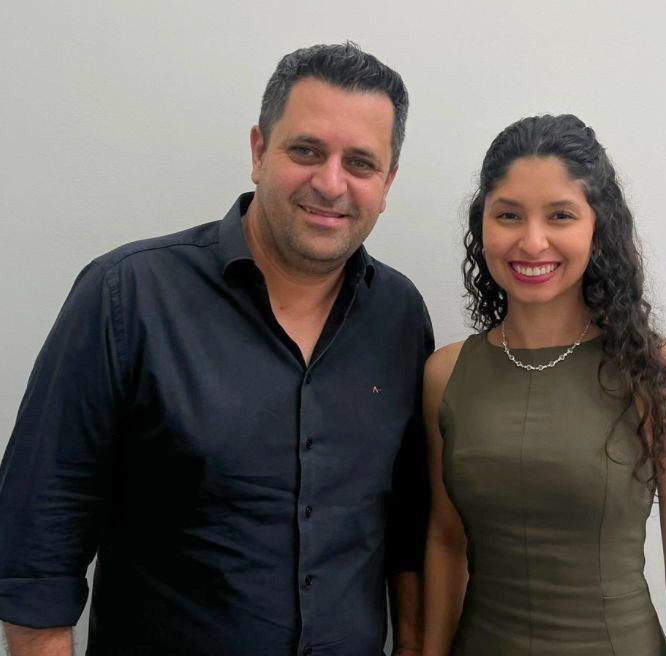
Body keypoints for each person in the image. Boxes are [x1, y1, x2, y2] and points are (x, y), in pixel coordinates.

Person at [0, 43, 433, 656]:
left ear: (386, 183)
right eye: (306, 151)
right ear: (258, 151)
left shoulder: (400, 314)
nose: (330, 183)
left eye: (360, 163)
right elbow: (36, 551)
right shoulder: (127, 296)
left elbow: (410, 526)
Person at [422, 115, 666, 655]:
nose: (533, 241)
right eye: (509, 215)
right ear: (482, 225)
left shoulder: (664, 377)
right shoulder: (445, 375)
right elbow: (444, 541)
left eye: (560, 215)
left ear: (597, 226)